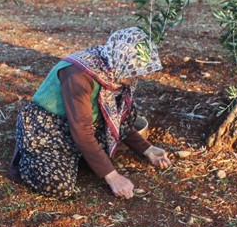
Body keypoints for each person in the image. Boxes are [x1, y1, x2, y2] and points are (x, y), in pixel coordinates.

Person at [10, 27, 171, 199]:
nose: (137, 77)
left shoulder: (112, 70)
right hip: (47, 127)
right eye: (135, 72)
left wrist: (147, 149)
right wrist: (113, 177)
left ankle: (76, 155)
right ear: (122, 59)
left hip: (79, 125)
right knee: (57, 186)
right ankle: (29, 154)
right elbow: (81, 130)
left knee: (128, 113)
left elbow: (118, 120)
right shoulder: (78, 75)